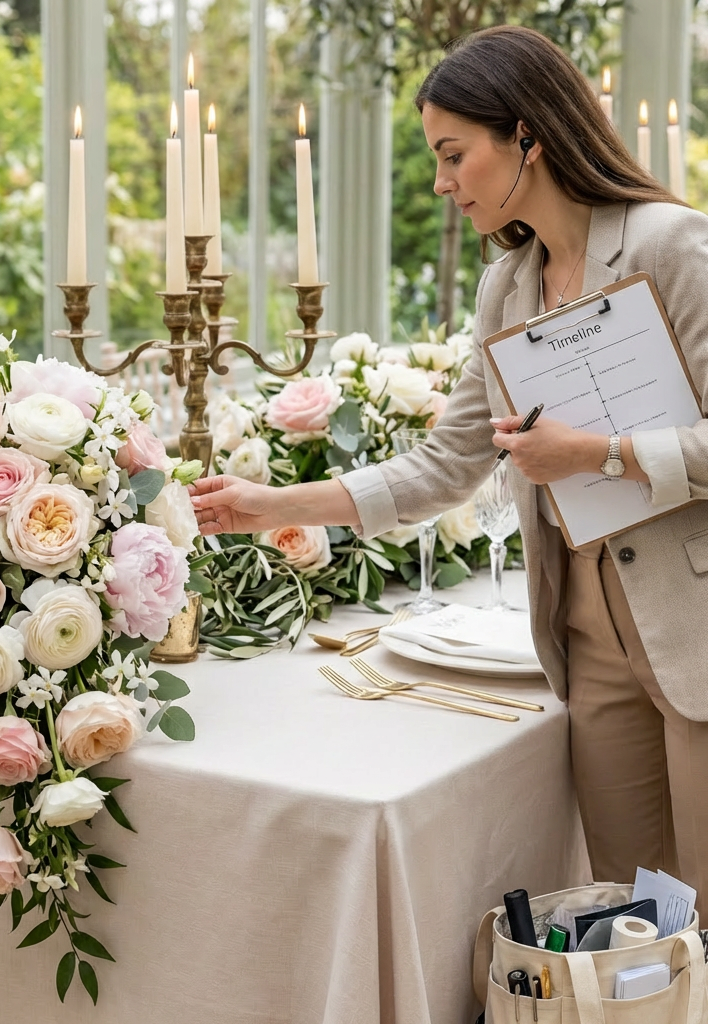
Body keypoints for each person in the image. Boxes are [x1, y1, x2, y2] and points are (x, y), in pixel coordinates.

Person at [189, 25, 708, 914]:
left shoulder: (672, 246)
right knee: (636, 921)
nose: (440, 183)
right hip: (586, 638)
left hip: (693, 623)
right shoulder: (506, 285)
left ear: (529, 137)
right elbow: (444, 464)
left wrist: (600, 456)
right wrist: (273, 503)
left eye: (453, 154)